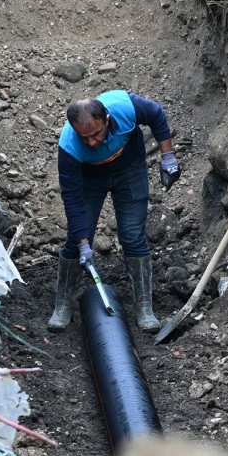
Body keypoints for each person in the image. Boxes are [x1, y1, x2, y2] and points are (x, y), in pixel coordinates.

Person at [48, 90, 180, 333]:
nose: (91, 142)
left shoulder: (126, 107)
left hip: (130, 169)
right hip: (90, 178)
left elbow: (157, 115)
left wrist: (168, 156)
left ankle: (143, 306)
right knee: (77, 239)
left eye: (96, 134)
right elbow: (72, 199)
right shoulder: (69, 146)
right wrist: (84, 244)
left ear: (106, 119)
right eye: (84, 137)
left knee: (132, 235)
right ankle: (63, 304)